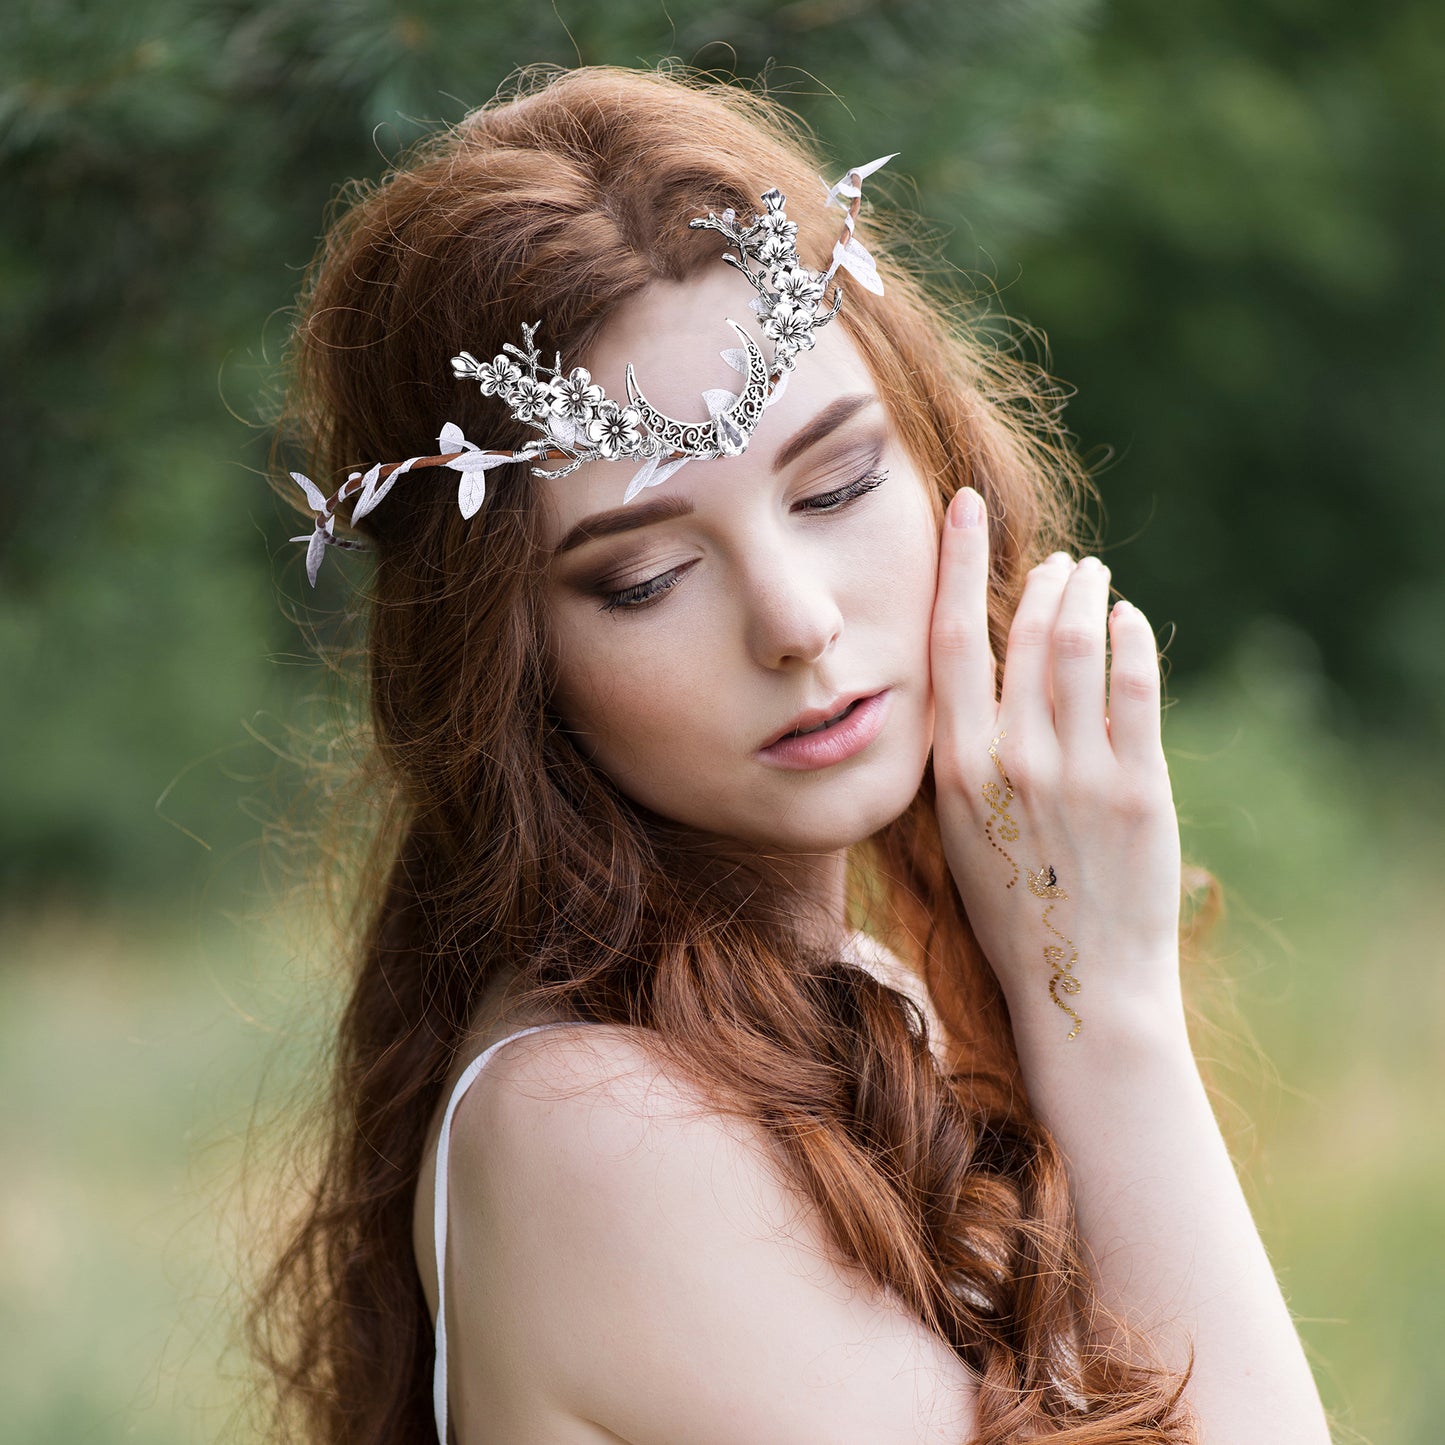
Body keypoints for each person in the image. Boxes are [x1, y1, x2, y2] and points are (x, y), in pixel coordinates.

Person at [248, 62, 1332, 1445]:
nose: (798, 621)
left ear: (940, 458)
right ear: (507, 661)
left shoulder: (832, 1007)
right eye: (641, 577)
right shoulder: (593, 1125)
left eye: (835, 485)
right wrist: (1102, 1004)